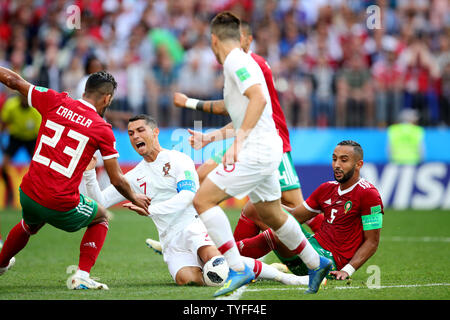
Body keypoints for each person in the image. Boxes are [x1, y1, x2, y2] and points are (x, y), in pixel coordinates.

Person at [187, 12, 332, 297]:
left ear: (214, 40)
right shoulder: (243, 61)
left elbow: (259, 97)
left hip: (258, 149)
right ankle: (317, 263)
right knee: (272, 214)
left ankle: (237, 267)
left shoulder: (235, 61)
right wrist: (215, 135)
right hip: (269, 147)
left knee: (203, 199)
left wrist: (239, 141)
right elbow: (248, 105)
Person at [83, 114, 312, 287]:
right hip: (170, 240)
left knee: (216, 262)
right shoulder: (132, 177)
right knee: (189, 279)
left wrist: (152, 209)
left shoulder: (178, 160)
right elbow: (100, 202)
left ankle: (287, 278)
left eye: (140, 130)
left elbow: (187, 197)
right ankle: (250, 269)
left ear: (155, 133)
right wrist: (90, 173)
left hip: (193, 227)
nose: (135, 137)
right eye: (131, 133)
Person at [0, 68, 151, 290]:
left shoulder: (53, 99)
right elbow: (116, 179)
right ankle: (81, 275)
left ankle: (2, 262)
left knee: (29, 224)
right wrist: (135, 197)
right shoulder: (101, 128)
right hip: (58, 201)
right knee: (101, 217)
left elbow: (12, 80)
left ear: (86, 90)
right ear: (107, 98)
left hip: (29, 193)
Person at [269, 140, 383, 280]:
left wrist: (347, 270)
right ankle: (242, 264)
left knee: (277, 230)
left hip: (329, 262)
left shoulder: (368, 194)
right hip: (312, 246)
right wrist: (265, 200)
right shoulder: (327, 188)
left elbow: (372, 242)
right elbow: (294, 216)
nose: (337, 165)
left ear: (359, 164)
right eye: (334, 159)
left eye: (344, 160)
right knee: (257, 208)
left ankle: (247, 266)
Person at [0, 94, 41, 208]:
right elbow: (4, 123)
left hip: (31, 140)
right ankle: (9, 192)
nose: (25, 100)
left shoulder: (36, 110)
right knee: (4, 166)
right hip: (16, 138)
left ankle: (37, 196)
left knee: (38, 168)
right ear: (19, 97)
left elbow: (40, 131)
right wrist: (2, 143)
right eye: (22, 97)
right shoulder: (11, 106)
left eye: (26, 98)